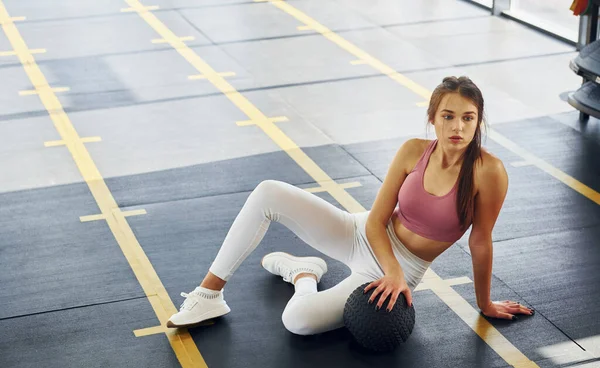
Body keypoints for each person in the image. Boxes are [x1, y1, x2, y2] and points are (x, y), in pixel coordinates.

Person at [166, 76, 535, 334]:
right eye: (448, 116)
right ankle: (208, 294)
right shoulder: (413, 151)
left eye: (468, 118)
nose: (458, 127)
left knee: (298, 321)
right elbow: (375, 221)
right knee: (267, 192)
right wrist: (389, 266)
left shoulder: (490, 172)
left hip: (399, 270)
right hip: (365, 234)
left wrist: (484, 304)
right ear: (432, 119)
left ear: (478, 121)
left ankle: (304, 274)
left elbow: (480, 241)